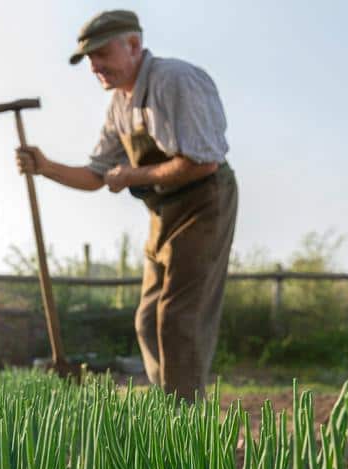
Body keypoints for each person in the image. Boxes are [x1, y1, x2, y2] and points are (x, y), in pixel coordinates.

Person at [16, 9, 237, 400]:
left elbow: (202, 163)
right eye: (89, 59)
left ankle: (186, 416)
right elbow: (96, 176)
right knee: (148, 319)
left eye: (102, 54)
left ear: (134, 45)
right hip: (162, 212)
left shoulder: (176, 80)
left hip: (204, 204)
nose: (94, 66)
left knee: (178, 318)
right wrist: (45, 167)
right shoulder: (119, 105)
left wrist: (132, 176)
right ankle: (169, 403)